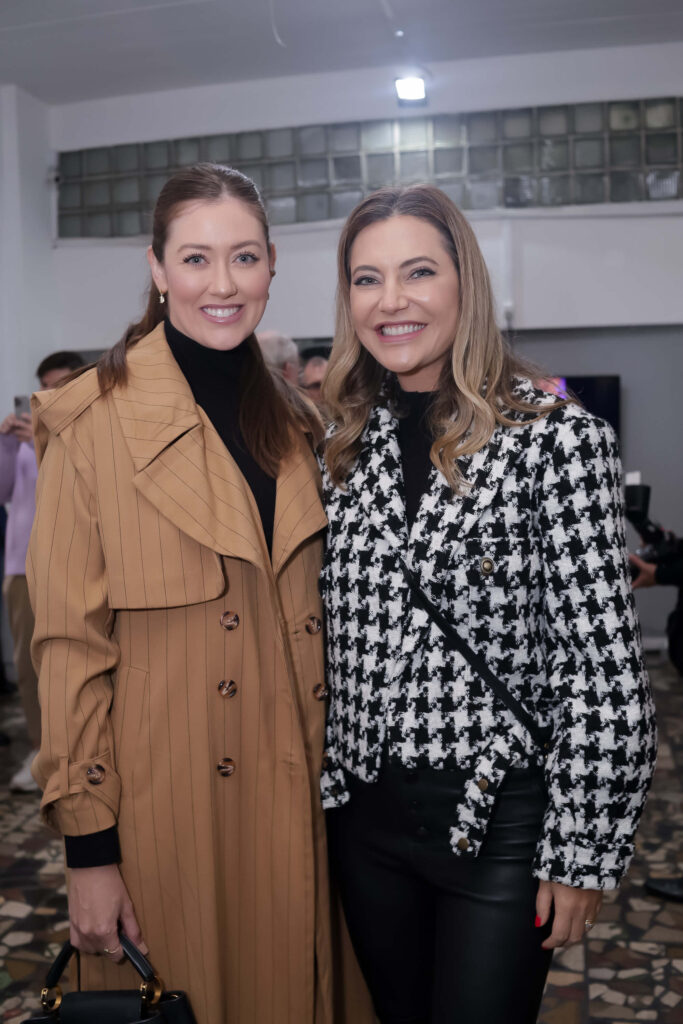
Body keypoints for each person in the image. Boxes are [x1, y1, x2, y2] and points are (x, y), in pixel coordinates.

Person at [28, 164, 367, 1024]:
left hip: (309, 802)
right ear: (156, 268)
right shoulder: (91, 423)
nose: (222, 284)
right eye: (195, 258)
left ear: (271, 265)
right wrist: (90, 853)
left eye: (243, 257)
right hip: (170, 814)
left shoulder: (301, 424)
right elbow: (68, 648)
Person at [319, 184, 657, 1024]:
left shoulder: (556, 440)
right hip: (364, 820)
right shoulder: (337, 447)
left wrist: (581, 852)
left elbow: (602, 672)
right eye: (366, 279)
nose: (390, 301)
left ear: (463, 283)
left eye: (417, 272)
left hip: (498, 823)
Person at [0, 351, 84, 789]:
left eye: (61, 383)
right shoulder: (23, 438)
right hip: (22, 564)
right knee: (28, 665)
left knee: (81, 661)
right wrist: (5, 445)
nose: (52, 393)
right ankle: (40, 751)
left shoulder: (86, 428)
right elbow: (3, 491)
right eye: (45, 385)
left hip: (76, 562)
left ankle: (83, 751)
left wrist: (41, 438)